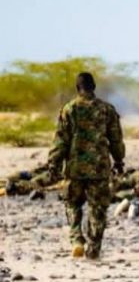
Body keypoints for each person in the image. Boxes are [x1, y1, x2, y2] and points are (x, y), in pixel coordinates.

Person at [45, 71, 125, 259]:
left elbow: (61, 140)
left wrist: (53, 164)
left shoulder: (69, 109)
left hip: (75, 169)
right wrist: (119, 160)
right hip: (99, 169)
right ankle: (94, 248)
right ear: (94, 87)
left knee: (72, 204)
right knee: (98, 209)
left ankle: (77, 240)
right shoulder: (107, 109)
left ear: (77, 88)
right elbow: (116, 139)